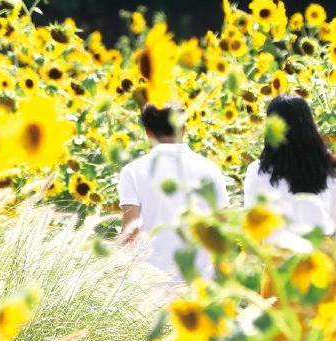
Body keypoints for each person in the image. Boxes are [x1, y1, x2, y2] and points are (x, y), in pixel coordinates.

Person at [118, 102, 229, 280]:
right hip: (201, 284)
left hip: (148, 287)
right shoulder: (210, 169)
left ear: (147, 132)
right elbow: (223, 227)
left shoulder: (132, 171)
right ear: (183, 129)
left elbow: (130, 234)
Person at [244, 93, 336, 236]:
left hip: (277, 255)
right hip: (319, 254)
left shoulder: (257, 172)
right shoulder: (329, 168)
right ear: (310, 125)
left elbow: (252, 231)